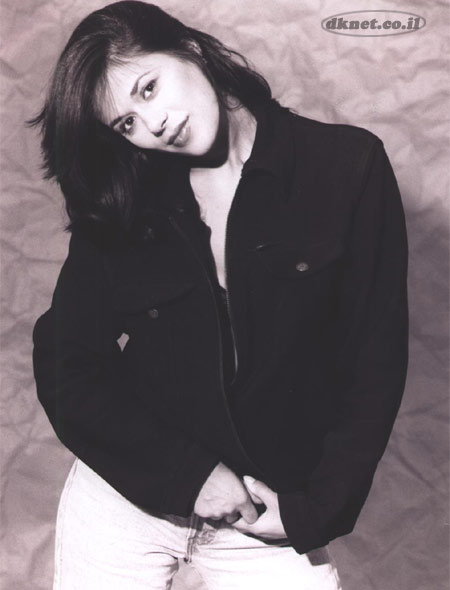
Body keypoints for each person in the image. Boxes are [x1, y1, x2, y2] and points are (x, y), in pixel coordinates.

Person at [29, 1, 409, 588]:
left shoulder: (345, 168)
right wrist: (189, 475)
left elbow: (374, 362)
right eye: (126, 123)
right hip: (126, 500)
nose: (153, 124)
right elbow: (65, 364)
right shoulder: (128, 201)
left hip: (261, 511)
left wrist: (315, 510)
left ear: (189, 48)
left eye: (149, 88)